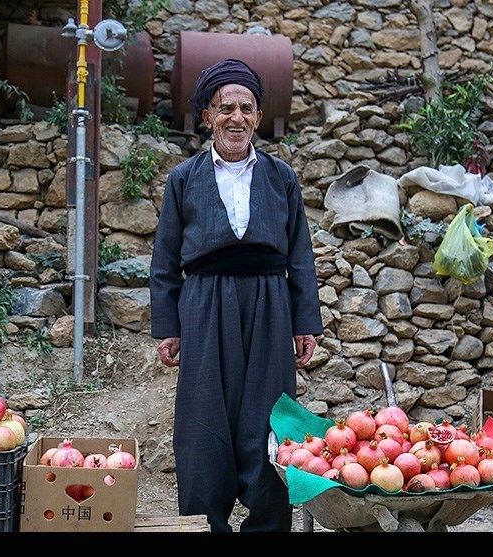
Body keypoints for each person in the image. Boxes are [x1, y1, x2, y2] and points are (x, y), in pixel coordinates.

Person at [149, 58, 323, 532]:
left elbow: (300, 254)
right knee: (204, 416)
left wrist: (304, 321)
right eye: (225, 107)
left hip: (270, 303)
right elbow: (165, 259)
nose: (236, 118)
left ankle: (267, 525)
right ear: (207, 115)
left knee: (270, 417)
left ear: (257, 117)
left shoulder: (280, 176)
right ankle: (205, 526)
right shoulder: (183, 178)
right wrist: (167, 326)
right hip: (204, 304)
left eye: (247, 108)